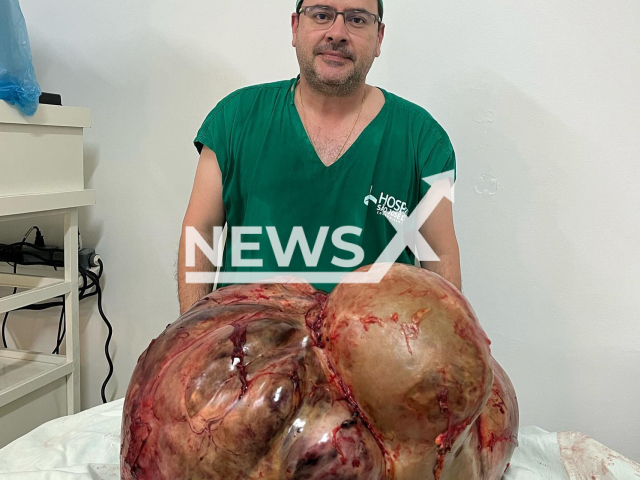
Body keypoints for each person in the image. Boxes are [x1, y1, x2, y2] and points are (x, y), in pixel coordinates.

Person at [177, 0, 461, 315]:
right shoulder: (234, 119)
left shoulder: (422, 138)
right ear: (296, 28)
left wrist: (446, 347)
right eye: (322, 15)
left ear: (379, 37)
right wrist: (192, 334)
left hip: (374, 354)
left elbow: (440, 257)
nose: (337, 33)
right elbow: (201, 230)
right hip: (250, 351)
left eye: (357, 19)